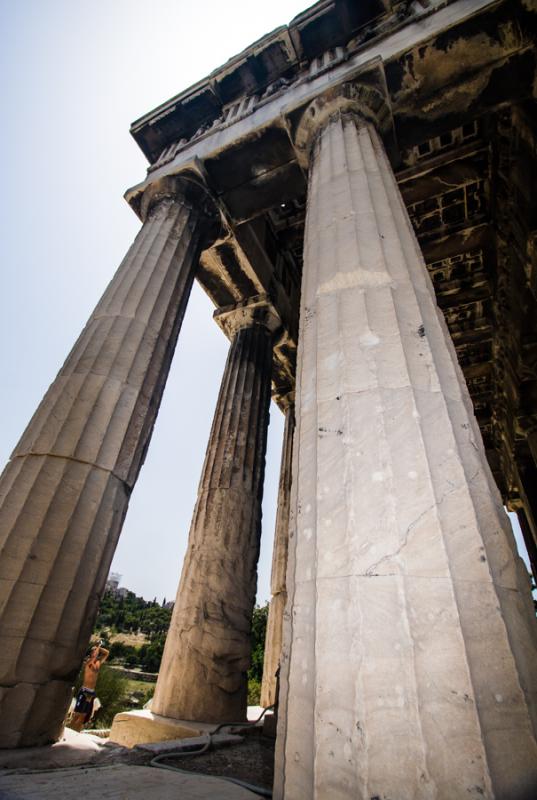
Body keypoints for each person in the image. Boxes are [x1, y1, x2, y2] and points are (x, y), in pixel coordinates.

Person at [70, 641, 109, 731]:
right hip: (84, 691)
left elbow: (107, 653)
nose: (96, 652)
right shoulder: (88, 663)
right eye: (94, 651)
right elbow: (93, 657)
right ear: (91, 653)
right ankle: (71, 731)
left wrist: (98, 647)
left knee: (84, 715)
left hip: (91, 692)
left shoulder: (98, 663)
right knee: (77, 714)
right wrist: (97, 647)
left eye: (97, 651)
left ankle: (77, 732)